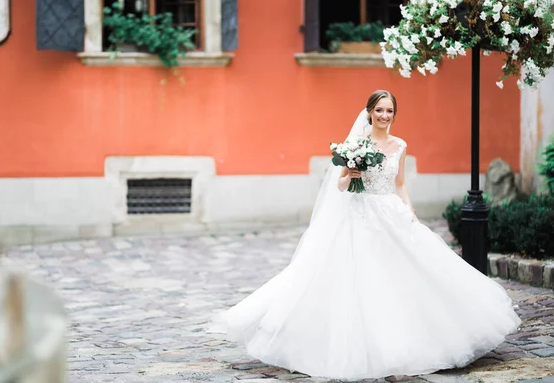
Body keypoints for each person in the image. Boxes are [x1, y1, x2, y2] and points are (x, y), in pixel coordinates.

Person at [211, 90, 521, 380]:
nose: (384, 115)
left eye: (389, 111)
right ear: (369, 113)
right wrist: (352, 173)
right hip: (360, 216)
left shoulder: (400, 145)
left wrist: (409, 210)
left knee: (412, 272)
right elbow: (341, 185)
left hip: (391, 214)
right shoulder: (355, 145)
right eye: (379, 110)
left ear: (394, 114)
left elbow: (400, 184)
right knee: (359, 277)